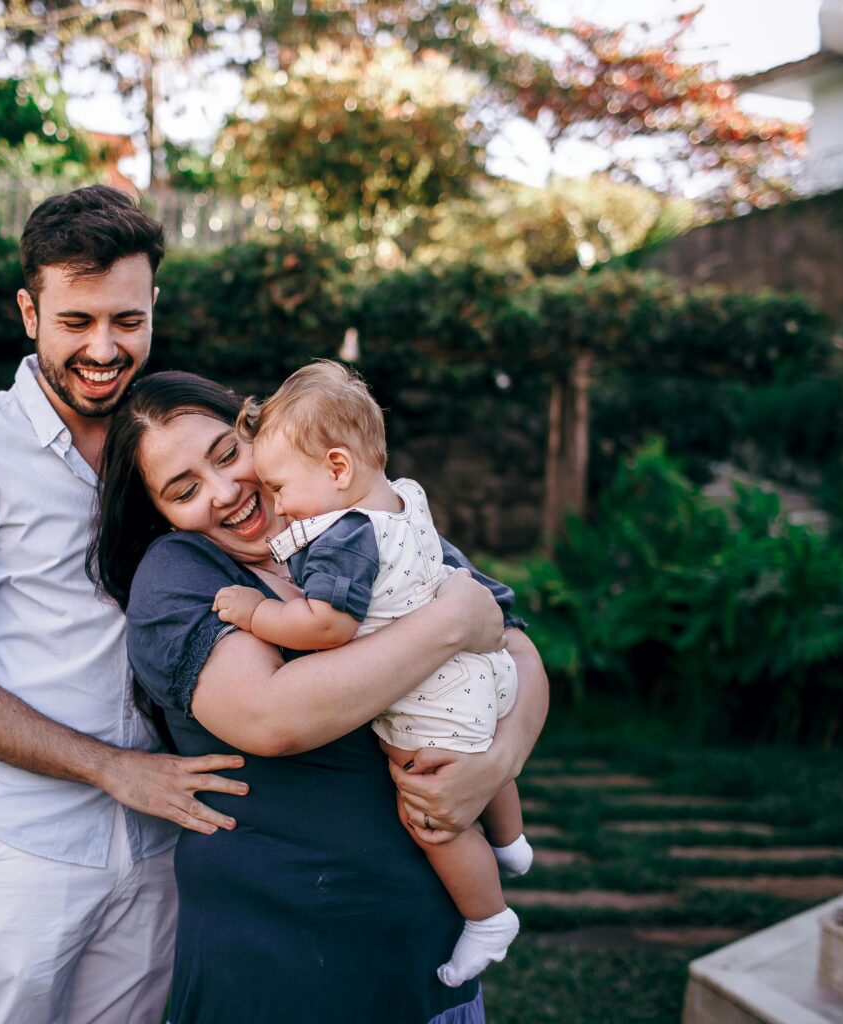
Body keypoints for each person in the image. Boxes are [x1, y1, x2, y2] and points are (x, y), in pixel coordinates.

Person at [0, 185, 251, 1024]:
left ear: (154, 306)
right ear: (29, 311)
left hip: (167, 845)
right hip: (21, 853)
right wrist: (113, 770)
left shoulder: (182, 444)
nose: (104, 347)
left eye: (127, 320)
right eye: (76, 321)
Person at [91, 371, 550, 1023]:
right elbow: (273, 716)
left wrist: (495, 765)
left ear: (261, 433)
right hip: (281, 972)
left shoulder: (360, 522)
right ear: (161, 514)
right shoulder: (180, 577)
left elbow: (521, 655)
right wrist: (452, 623)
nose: (225, 493)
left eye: (227, 454)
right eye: (184, 489)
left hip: (428, 971)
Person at [212, 360, 534, 987]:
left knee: (433, 818)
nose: (275, 504)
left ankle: (488, 916)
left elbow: (326, 624)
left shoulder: (344, 536)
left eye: (279, 487)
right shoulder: (404, 499)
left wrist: (258, 613)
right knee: (482, 744)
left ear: (337, 468)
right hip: (480, 673)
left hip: (431, 703)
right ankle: (511, 841)